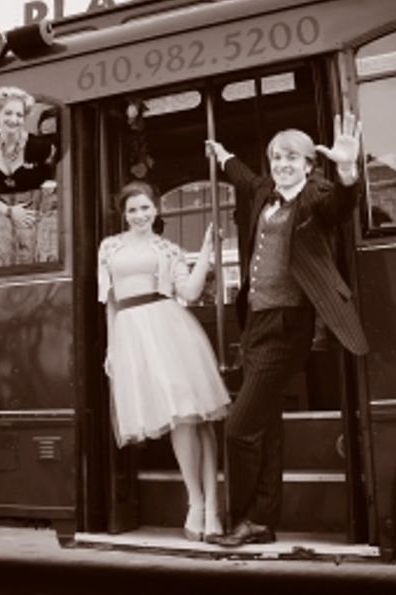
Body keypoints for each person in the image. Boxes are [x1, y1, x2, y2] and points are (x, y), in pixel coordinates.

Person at [203, 115, 368, 547]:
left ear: (311, 163)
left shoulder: (317, 196)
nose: (282, 164)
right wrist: (223, 157)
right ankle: (261, 522)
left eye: (292, 157)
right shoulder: (264, 192)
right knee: (266, 427)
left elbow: (342, 208)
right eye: (277, 158)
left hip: (288, 325)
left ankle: (245, 517)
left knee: (239, 427)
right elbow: (244, 176)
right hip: (256, 322)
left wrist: (349, 171)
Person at [99, 181, 228, 543]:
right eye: (133, 210)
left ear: (156, 209)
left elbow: (188, 292)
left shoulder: (168, 249)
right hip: (132, 334)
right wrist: (111, 348)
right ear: (124, 214)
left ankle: (208, 508)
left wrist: (204, 252)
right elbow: (110, 301)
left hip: (169, 329)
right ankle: (198, 503)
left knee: (193, 418)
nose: (140, 215)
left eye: (146, 208)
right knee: (180, 420)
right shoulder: (109, 247)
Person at [0, 86, 59, 267]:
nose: (13, 120)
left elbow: (58, 178)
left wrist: (50, 189)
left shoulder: (41, 147)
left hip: (36, 222)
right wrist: (9, 211)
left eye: (19, 115)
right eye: (8, 113)